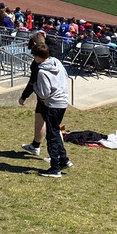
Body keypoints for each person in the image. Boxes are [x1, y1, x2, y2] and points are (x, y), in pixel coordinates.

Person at [31, 42, 71, 177]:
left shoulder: (42, 72)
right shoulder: (56, 62)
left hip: (52, 105)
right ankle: (63, 159)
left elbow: (44, 93)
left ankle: (55, 167)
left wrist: (35, 86)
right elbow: (65, 77)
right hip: (62, 102)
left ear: (38, 57)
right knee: (55, 130)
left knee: (52, 136)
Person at [20, 32, 49, 157]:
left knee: (53, 126)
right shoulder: (51, 55)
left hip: (48, 98)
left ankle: (58, 155)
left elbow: (32, 82)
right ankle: (35, 145)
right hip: (44, 98)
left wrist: (24, 96)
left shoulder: (39, 64)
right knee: (39, 118)